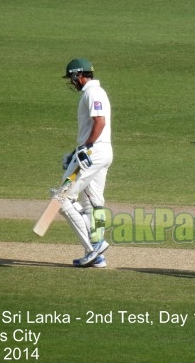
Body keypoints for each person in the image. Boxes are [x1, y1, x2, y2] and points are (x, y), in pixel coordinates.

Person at [59, 58, 112, 268]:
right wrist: (76, 151)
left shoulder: (93, 92)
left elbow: (100, 121)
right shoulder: (94, 92)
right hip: (99, 151)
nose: (72, 83)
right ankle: (97, 256)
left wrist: (85, 148)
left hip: (94, 152)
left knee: (62, 199)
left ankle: (94, 248)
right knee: (94, 203)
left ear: (78, 75)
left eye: (72, 79)